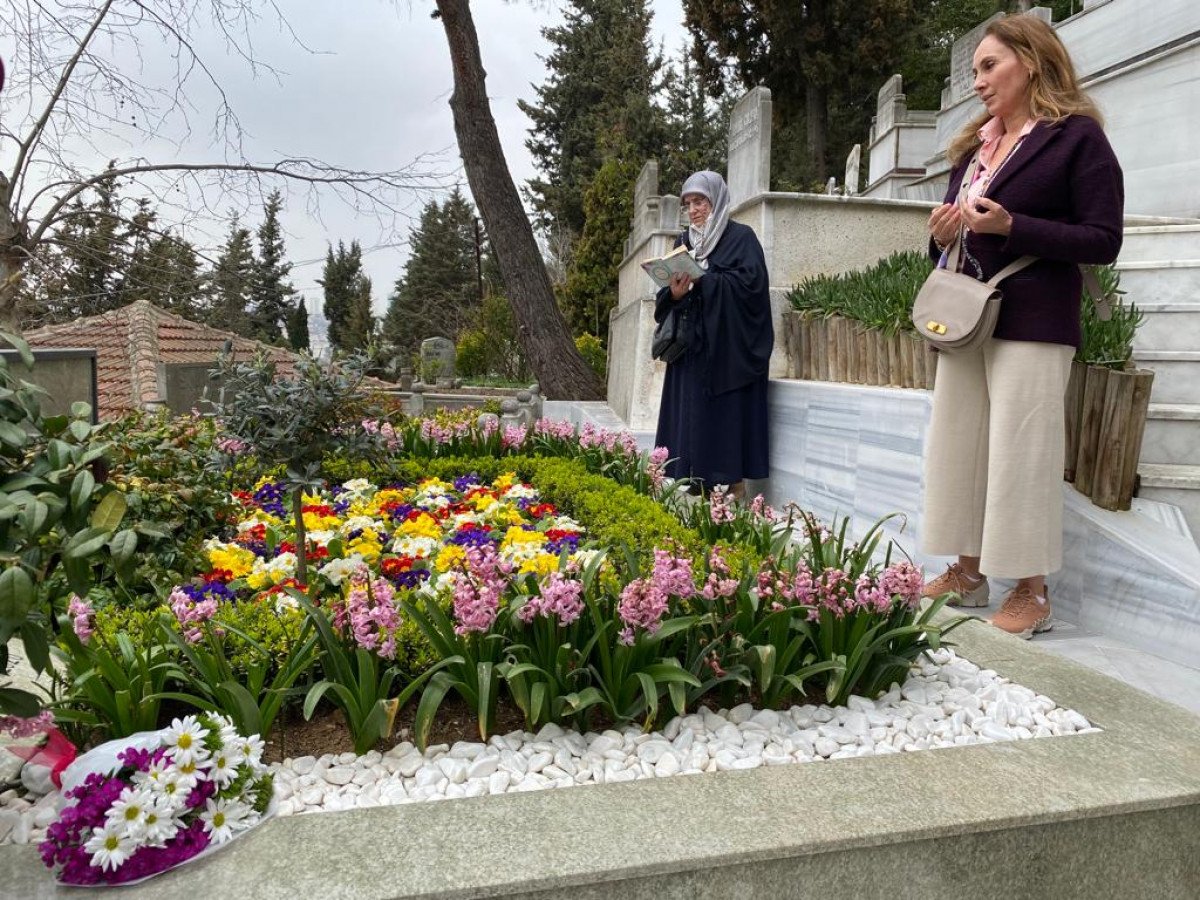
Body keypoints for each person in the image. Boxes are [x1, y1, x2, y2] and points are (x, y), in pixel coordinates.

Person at [919, 14, 1124, 638]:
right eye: (975, 70)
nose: (978, 82)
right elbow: (951, 241)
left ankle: (1032, 591)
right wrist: (941, 236)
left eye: (989, 66)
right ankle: (968, 572)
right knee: (958, 443)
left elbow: (1103, 239)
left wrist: (1014, 226)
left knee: (1021, 451)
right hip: (966, 317)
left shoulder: (1076, 138)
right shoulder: (974, 148)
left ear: (1030, 61)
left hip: (1035, 317)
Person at [654, 171, 774, 498]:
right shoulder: (683, 243)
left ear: (716, 200)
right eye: (688, 204)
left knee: (723, 418)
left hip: (726, 351)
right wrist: (675, 294)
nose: (693, 210)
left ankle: (731, 486)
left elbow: (751, 289)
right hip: (690, 350)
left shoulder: (741, 238)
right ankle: (693, 480)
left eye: (700, 202)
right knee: (692, 416)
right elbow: (667, 296)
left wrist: (705, 280)